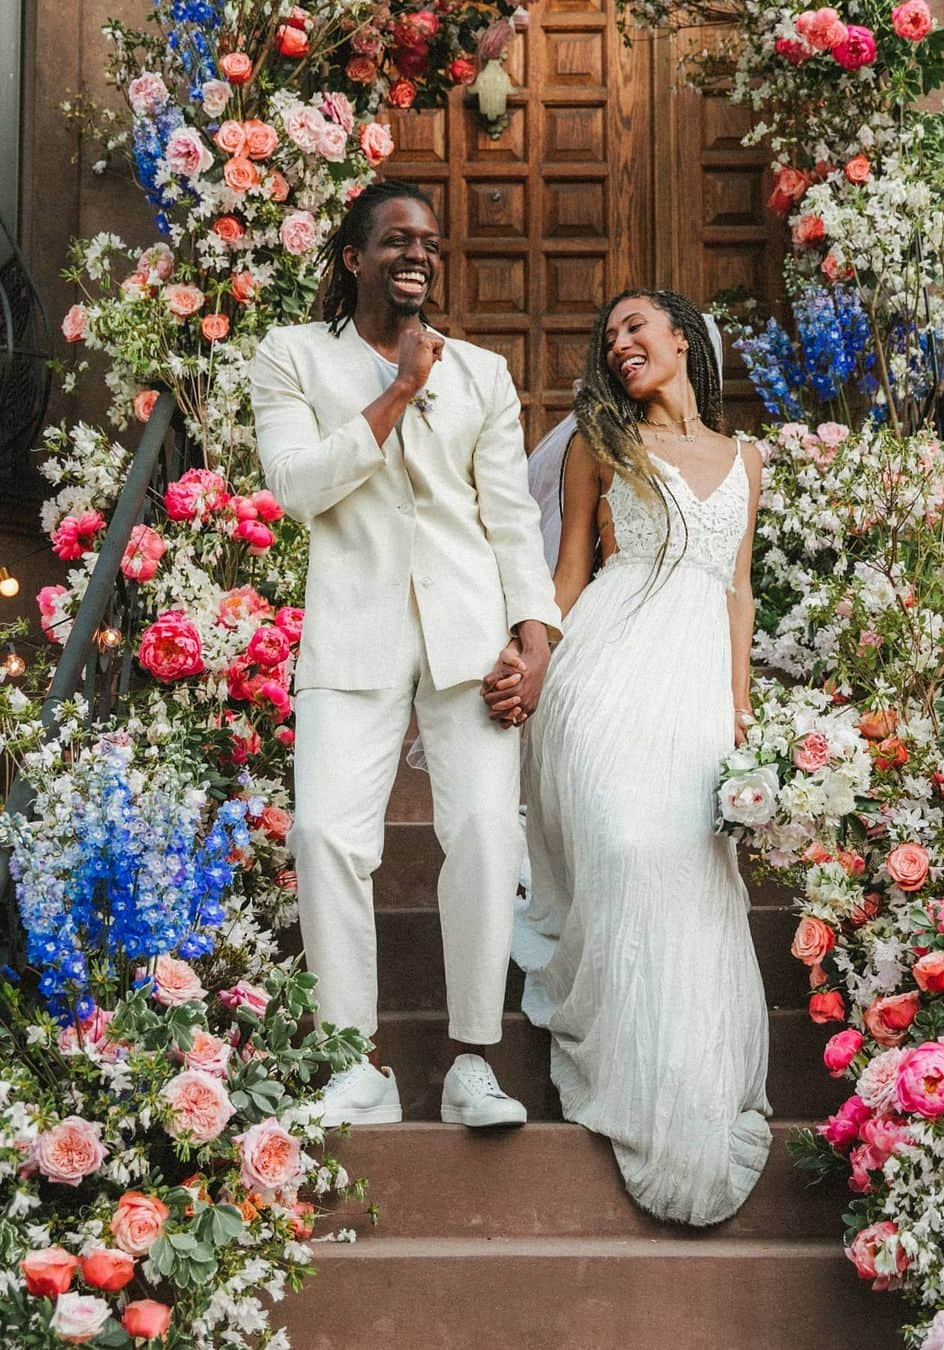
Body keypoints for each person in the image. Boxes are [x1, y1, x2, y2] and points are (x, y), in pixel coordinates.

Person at [250, 180, 561, 1128]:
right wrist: (398, 392)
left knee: (484, 835)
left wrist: (535, 638)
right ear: (353, 259)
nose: (418, 255)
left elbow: (510, 517)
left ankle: (475, 1061)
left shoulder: (483, 374)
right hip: (354, 630)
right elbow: (297, 486)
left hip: (472, 638)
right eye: (396, 241)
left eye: (429, 242)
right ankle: (359, 1063)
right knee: (326, 837)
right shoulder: (293, 356)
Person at [486, 288, 772, 1224]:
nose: (618, 345)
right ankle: (618, 1059)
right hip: (604, 670)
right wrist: (533, 660)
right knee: (623, 848)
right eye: (607, 335)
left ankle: (680, 1079)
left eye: (634, 328)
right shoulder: (592, 446)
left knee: (687, 872)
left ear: (684, 339)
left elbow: (738, 593)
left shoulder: (746, 461)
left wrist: (739, 714)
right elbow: (569, 571)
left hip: (694, 691)